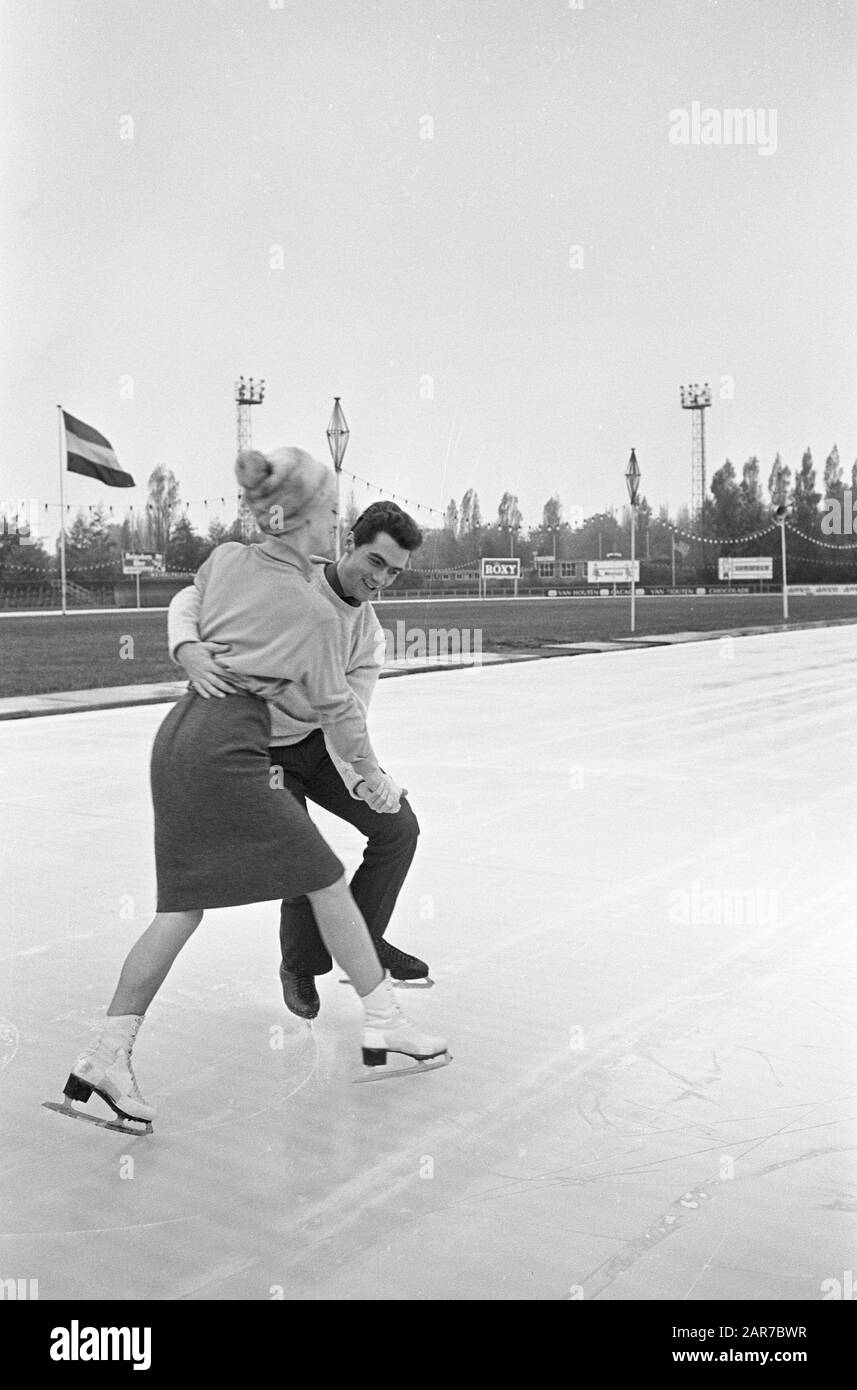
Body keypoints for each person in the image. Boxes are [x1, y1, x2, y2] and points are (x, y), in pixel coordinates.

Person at [61, 448, 448, 1128]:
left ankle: (104, 1054)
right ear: (307, 521)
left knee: (181, 908)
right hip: (234, 749)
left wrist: (190, 649)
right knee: (324, 878)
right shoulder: (313, 611)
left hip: (179, 736)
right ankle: (382, 1019)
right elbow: (343, 716)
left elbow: (197, 601)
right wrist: (374, 777)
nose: (334, 522)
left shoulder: (227, 561)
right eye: (330, 511)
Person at [168, 499, 429, 1022]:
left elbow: (347, 718)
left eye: (395, 573)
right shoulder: (288, 579)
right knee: (303, 853)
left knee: (399, 827)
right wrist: (187, 647)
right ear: (349, 544)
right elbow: (191, 596)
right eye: (375, 562)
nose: (381, 580)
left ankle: (365, 941)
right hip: (258, 745)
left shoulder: (369, 634)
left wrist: (369, 781)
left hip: (317, 744)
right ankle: (301, 964)